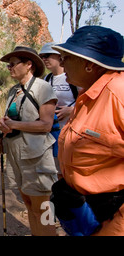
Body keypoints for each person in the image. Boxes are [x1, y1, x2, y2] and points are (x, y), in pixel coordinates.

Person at [51, 26, 124, 236]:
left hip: (111, 221)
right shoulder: (88, 95)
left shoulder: (118, 93)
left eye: (67, 57)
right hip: (84, 215)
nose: (61, 63)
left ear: (89, 64)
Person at [0, 46, 58, 236]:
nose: (9, 68)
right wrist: (3, 124)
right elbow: (13, 120)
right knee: (30, 204)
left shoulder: (43, 87)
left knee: (44, 209)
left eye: (13, 64)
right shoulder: (13, 91)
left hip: (37, 156)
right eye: (8, 65)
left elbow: (46, 125)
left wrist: (14, 125)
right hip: (17, 155)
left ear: (28, 65)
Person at [39, 42, 79, 177]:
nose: (44, 59)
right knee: (57, 167)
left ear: (59, 57)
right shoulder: (47, 79)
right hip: (54, 132)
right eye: (42, 56)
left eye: (47, 56)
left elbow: (90, 103)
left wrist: (71, 110)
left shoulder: (72, 77)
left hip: (73, 131)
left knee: (72, 167)